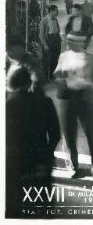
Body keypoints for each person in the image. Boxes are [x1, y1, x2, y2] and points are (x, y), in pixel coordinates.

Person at [6, 67, 61, 217]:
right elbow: (55, 134)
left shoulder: (8, 105)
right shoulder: (45, 101)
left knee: (16, 203)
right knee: (43, 200)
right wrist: (48, 153)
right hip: (41, 159)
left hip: (15, 162)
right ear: (29, 83)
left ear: (11, 84)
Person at [53, 34, 93, 179]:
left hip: (85, 97)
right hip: (68, 97)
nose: (68, 44)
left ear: (81, 43)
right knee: (69, 134)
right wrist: (61, 76)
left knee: (91, 134)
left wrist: (90, 76)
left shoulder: (91, 58)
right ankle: (74, 166)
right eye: (68, 41)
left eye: (72, 42)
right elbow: (56, 73)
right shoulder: (63, 56)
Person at [39, 4, 62, 82]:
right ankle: (45, 78)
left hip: (56, 40)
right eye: (56, 10)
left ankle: (52, 77)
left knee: (55, 60)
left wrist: (59, 40)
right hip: (48, 41)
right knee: (46, 61)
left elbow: (58, 30)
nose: (57, 12)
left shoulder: (55, 19)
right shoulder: (44, 20)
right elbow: (41, 35)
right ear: (51, 11)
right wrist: (45, 44)